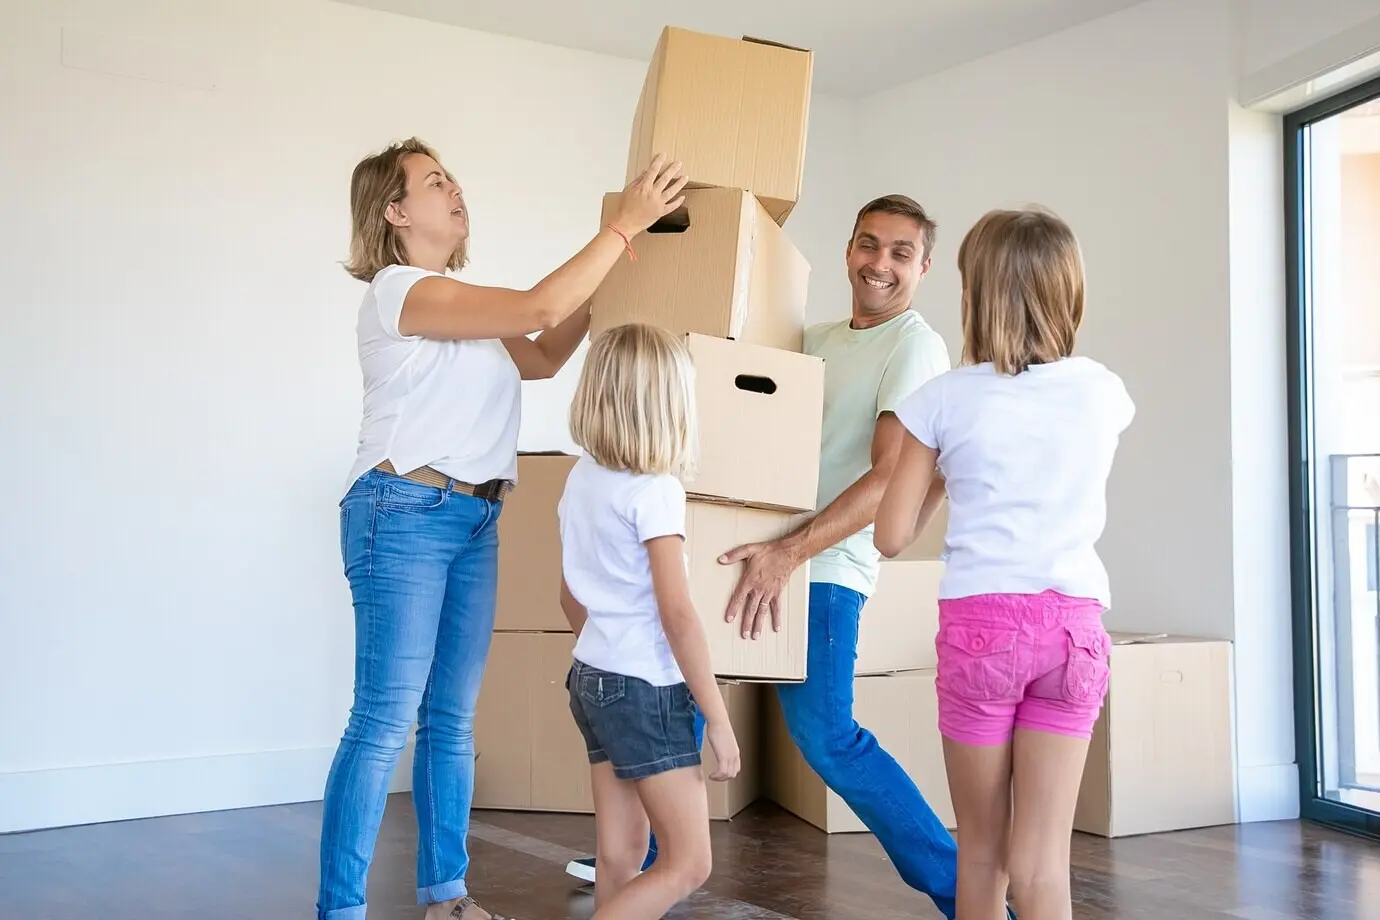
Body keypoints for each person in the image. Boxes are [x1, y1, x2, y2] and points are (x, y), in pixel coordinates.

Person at [317, 137, 686, 920]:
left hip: (475, 516)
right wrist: (623, 226)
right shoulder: (399, 291)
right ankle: (340, 911)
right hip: (401, 512)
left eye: (454, 179)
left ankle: (446, 896)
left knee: (450, 720)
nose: (456, 192)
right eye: (435, 182)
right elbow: (540, 309)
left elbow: (549, 349)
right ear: (394, 211)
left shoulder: (467, 311)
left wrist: (625, 252)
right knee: (384, 719)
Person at [714, 193, 996, 920]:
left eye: (900, 253)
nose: (879, 264)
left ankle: (969, 898)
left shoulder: (913, 347)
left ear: (924, 267)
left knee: (829, 738)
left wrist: (790, 553)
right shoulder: (814, 339)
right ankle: (641, 859)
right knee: (683, 699)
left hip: (825, 570)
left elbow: (888, 479)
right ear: (847, 250)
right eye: (868, 245)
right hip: (758, 552)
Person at [875, 207, 1134, 920]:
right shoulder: (1103, 391)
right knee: (1044, 864)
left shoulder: (940, 400)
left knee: (983, 854)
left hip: (982, 629)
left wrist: (942, 472)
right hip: (1075, 631)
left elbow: (891, 535)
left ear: (973, 293)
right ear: (1068, 292)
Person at [557, 323, 742, 920]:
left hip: (592, 677)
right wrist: (719, 719)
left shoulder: (582, 478)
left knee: (621, 854)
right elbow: (678, 615)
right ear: (669, 406)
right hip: (643, 689)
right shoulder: (656, 491)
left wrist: (604, 653)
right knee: (689, 863)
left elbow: (568, 595)